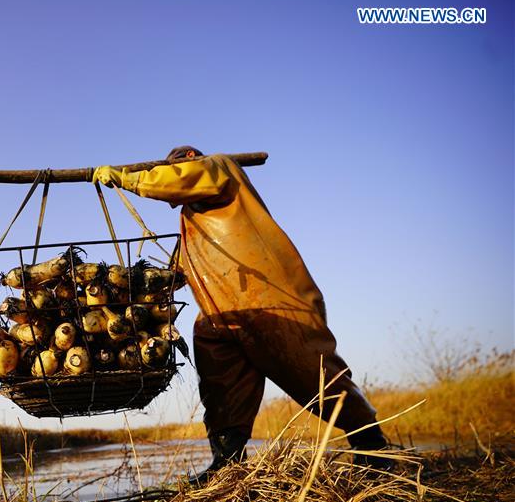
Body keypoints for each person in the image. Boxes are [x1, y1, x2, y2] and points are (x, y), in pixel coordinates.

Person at [93, 147, 392, 483]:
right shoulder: (192, 222)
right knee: (220, 381)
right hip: (221, 313)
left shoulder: (218, 168)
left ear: (189, 158)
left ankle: (372, 446)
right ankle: (227, 461)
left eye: (176, 165)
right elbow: (182, 268)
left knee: (311, 371)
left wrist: (125, 178)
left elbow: (180, 178)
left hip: (269, 300)